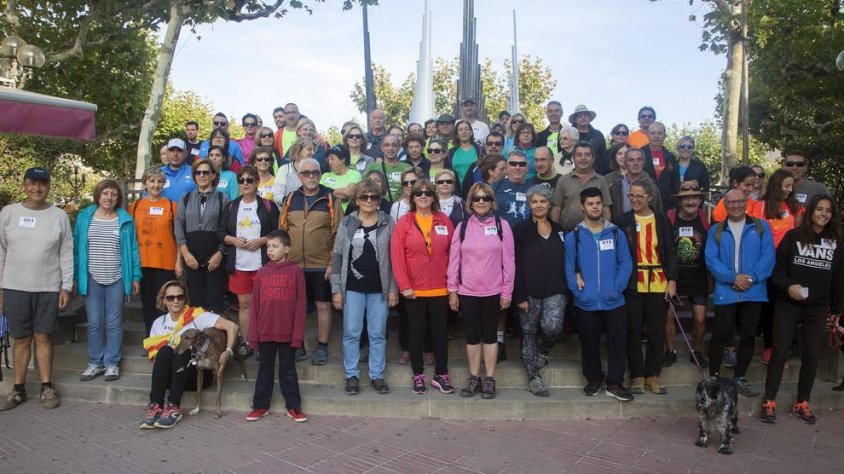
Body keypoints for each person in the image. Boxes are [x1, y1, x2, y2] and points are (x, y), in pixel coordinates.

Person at [761, 195, 844, 424]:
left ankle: (802, 402)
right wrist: (789, 287)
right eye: (819, 209)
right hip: (789, 304)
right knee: (779, 353)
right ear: (811, 212)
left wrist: (837, 309)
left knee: (812, 355)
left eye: (828, 210)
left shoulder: (835, 242)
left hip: (818, 307)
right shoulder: (793, 237)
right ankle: (769, 401)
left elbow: (838, 279)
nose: (824, 214)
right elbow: (776, 272)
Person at [0, 167, 73, 411]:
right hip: (14, 286)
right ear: (24, 185)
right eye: (32, 183)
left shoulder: (58, 216)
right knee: (20, 338)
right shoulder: (8, 213)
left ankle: (46, 386)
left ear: (49, 187)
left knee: (43, 336)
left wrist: (66, 286)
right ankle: (18, 389)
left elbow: (65, 251)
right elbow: (1, 251)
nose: (37, 188)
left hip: (48, 286)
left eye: (42, 184)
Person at [139, 280, 239, 429]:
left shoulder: (196, 316)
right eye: (171, 297)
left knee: (184, 349)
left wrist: (228, 351)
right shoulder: (158, 323)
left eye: (180, 297)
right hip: (170, 378)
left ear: (185, 299)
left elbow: (233, 326)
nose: (176, 301)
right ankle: (156, 406)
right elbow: (156, 358)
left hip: (195, 371)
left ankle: (174, 408)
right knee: (166, 351)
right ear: (163, 300)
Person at [565, 187, 634, 401]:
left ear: (603, 205)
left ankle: (615, 382)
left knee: (617, 342)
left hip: (614, 301)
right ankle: (593, 379)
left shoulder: (615, 233)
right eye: (590, 203)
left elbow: (626, 263)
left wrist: (616, 288)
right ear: (582, 206)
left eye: (598, 203)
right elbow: (568, 267)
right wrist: (579, 294)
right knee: (589, 342)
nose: (595, 207)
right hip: (586, 302)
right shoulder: (574, 236)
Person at [705, 189, 775, 397]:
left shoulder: (761, 228)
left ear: (746, 203)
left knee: (748, 335)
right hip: (726, 291)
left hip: (754, 291)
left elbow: (768, 258)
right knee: (720, 334)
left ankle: (739, 377)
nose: (736, 205)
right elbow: (711, 259)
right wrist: (732, 278)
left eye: (740, 201)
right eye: (731, 202)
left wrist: (749, 278)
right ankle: (714, 378)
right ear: (724, 205)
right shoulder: (716, 230)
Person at [448, 183, 515, 400]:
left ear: (491, 201)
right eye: (476, 198)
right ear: (470, 202)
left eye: (485, 198)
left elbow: (509, 262)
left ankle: (489, 378)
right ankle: (474, 376)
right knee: (472, 336)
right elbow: (454, 261)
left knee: (490, 335)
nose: (481, 202)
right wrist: (452, 290)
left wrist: (507, 291)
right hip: (467, 291)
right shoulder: (463, 227)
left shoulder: (502, 225)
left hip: (493, 291)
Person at [331, 183, 398, 396]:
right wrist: (336, 289)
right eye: (364, 197)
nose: (369, 200)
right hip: (352, 287)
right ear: (357, 200)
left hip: (380, 288)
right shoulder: (348, 222)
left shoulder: (388, 222)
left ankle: (377, 375)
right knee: (352, 333)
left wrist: (394, 288)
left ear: (379, 199)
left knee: (377, 334)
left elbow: (394, 257)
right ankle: (352, 375)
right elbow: (338, 255)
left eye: (373, 197)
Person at [390, 180, 454, 395]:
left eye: (428, 192)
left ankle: (441, 375)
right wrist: (404, 286)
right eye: (419, 193)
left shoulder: (444, 220)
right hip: (414, 290)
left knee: (439, 334)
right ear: (412, 197)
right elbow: (397, 257)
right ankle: (418, 375)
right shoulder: (404, 223)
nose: (423, 196)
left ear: (434, 197)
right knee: (416, 334)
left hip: (440, 288)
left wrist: (452, 286)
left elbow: (454, 255)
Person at [75, 179, 142, 383]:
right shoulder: (85, 217)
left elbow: (133, 249)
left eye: (113, 194)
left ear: (118, 198)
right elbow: (76, 248)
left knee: (113, 322)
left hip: (117, 278)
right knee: (95, 323)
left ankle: (112, 362)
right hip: (92, 277)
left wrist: (136, 276)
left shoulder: (125, 219)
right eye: (105, 193)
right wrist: (76, 277)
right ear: (98, 195)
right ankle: (96, 362)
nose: (109, 198)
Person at [279, 158, 343, 365]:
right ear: (299, 176)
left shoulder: (331, 199)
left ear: (321, 174)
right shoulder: (290, 199)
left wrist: (333, 263)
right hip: (295, 264)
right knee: (296, 307)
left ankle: (322, 347)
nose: (311, 176)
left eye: (315, 172)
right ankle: (298, 346)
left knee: (323, 306)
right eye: (306, 173)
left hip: (321, 264)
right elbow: (283, 232)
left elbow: (339, 234)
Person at [618, 177, 678, 395]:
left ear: (649, 198)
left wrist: (672, 281)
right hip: (633, 283)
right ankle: (637, 375)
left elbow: (670, 252)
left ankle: (653, 374)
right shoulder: (623, 221)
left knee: (656, 331)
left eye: (639, 196)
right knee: (633, 331)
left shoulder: (661, 221)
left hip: (658, 281)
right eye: (631, 195)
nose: (634, 199)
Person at [246, 230, 308, 423]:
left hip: (287, 333)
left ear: (287, 248)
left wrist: (298, 336)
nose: (270, 251)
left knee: (288, 369)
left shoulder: (295, 272)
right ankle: (260, 406)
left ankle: (294, 406)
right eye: (268, 247)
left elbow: (300, 306)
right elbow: (255, 306)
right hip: (265, 332)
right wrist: (253, 336)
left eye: (275, 246)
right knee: (265, 368)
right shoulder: (262, 272)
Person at [512, 185, 567, 397]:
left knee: (552, 327)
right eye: (534, 201)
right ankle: (534, 377)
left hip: (555, 288)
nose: (539, 205)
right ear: (529, 204)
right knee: (529, 332)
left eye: (543, 201)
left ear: (549, 204)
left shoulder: (560, 230)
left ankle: (543, 351)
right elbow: (514, 263)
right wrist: (519, 294)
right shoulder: (519, 230)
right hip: (529, 291)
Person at [222, 165, 280, 351]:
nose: (245, 183)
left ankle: (264, 340)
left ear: (257, 182)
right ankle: (247, 342)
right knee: (244, 305)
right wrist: (231, 239)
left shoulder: (268, 206)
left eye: (249, 180)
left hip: (263, 264)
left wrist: (262, 241)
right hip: (239, 264)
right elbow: (220, 232)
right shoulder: (231, 206)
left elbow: (279, 232)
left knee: (265, 304)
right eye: (241, 180)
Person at [751, 169, 804, 365]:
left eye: (792, 186)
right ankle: (769, 347)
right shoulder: (761, 206)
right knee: (770, 307)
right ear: (777, 185)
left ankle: (787, 346)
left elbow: (800, 231)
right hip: (766, 261)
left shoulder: (795, 206)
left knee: (788, 306)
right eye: (787, 186)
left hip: (788, 262)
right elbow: (754, 232)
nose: (790, 190)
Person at [129, 167, 182, 336]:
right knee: (148, 304)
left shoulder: (172, 206)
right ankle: (151, 340)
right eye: (152, 181)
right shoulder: (135, 206)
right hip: (143, 262)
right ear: (145, 183)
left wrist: (179, 260)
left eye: (160, 181)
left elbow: (179, 236)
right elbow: (129, 238)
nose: (156, 185)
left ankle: (166, 340)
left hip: (166, 262)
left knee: (167, 304)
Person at [664, 182, 711, 368]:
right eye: (686, 198)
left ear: (700, 200)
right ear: (680, 200)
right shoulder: (670, 217)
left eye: (694, 197)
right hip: (675, 275)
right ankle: (670, 350)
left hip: (698, 274)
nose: (690, 201)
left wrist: (711, 278)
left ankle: (696, 350)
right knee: (668, 316)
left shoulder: (705, 218)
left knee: (700, 318)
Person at [175, 160, 230, 313]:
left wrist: (220, 253)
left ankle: (215, 336)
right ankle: (198, 337)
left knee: (215, 302)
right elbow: (179, 226)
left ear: (213, 175)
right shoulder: (186, 198)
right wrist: (185, 254)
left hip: (215, 256)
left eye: (206, 172)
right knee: (196, 304)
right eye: (198, 172)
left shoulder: (222, 198)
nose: (201, 175)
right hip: (192, 255)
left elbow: (228, 228)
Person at [551, 141, 612, 231]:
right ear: (573, 158)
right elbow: (556, 209)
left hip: (596, 234)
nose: (583, 158)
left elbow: (606, 209)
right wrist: (555, 233)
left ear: (593, 158)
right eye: (579, 155)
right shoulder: (563, 180)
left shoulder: (601, 180)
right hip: (568, 233)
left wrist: (606, 232)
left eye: (587, 155)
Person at [609, 147, 664, 225]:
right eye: (631, 160)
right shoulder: (614, 188)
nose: (635, 163)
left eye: (639, 159)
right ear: (625, 163)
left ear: (643, 162)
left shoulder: (652, 188)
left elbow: (659, 214)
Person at [658, 135, 710, 210]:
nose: (686, 149)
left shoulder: (700, 167)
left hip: (693, 207)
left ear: (693, 149)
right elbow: (665, 189)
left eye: (689, 147)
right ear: (678, 148)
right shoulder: (671, 166)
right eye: (682, 146)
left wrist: (698, 203)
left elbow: (705, 188)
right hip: (673, 208)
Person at [364, 134, 411, 203]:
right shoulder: (372, 167)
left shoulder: (407, 168)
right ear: (382, 148)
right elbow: (364, 188)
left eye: (394, 145)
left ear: (398, 148)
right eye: (387, 145)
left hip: (401, 207)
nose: (390, 148)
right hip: (378, 205)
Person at [271, 137, 315, 206]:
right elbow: (277, 196)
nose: (313, 152)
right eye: (309, 149)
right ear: (299, 150)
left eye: (313, 150)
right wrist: (293, 202)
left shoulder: (314, 171)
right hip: (289, 212)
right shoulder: (284, 170)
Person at [321, 146, 362, 212]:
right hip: (325, 214)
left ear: (343, 158)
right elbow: (318, 194)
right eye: (328, 159)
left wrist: (326, 193)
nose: (329, 162)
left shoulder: (355, 174)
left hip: (345, 215)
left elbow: (348, 192)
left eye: (332, 159)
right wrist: (339, 194)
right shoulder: (325, 176)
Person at [568, 105, 607, 174]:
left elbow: (603, 157)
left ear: (589, 118)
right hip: (572, 175)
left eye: (585, 115)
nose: (583, 117)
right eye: (579, 116)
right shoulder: (568, 135)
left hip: (595, 175)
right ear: (575, 120)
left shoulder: (598, 135)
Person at [448, 120, 483, 185]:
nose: (464, 132)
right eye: (460, 130)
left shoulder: (480, 150)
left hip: (476, 189)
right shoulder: (451, 153)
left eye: (466, 129)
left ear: (471, 133)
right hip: (456, 190)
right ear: (457, 135)